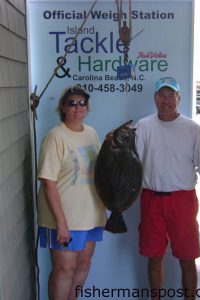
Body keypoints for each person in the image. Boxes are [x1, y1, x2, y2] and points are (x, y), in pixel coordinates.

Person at [135, 77, 200, 300]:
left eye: (170, 95)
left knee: (187, 258)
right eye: (161, 95)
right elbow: (132, 164)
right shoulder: (143, 126)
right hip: (151, 199)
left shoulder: (193, 128)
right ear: (155, 98)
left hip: (183, 201)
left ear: (179, 98)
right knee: (154, 257)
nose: (166, 100)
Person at [37, 85, 106, 300]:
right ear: (63, 107)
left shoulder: (92, 133)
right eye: (72, 103)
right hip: (63, 218)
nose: (77, 107)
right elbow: (48, 182)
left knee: (83, 265)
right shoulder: (55, 136)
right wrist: (61, 222)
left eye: (82, 103)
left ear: (87, 106)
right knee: (64, 270)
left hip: (91, 215)